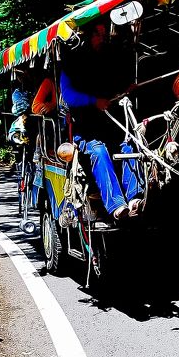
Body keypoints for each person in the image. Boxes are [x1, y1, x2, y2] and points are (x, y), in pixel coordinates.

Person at [59, 21, 144, 221]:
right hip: (86, 131)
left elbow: (118, 84)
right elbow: (69, 96)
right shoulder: (71, 63)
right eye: (98, 34)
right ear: (89, 36)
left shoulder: (108, 60)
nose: (103, 38)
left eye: (104, 33)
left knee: (129, 146)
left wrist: (126, 88)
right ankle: (116, 205)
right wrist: (93, 101)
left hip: (111, 127)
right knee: (99, 151)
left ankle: (134, 197)